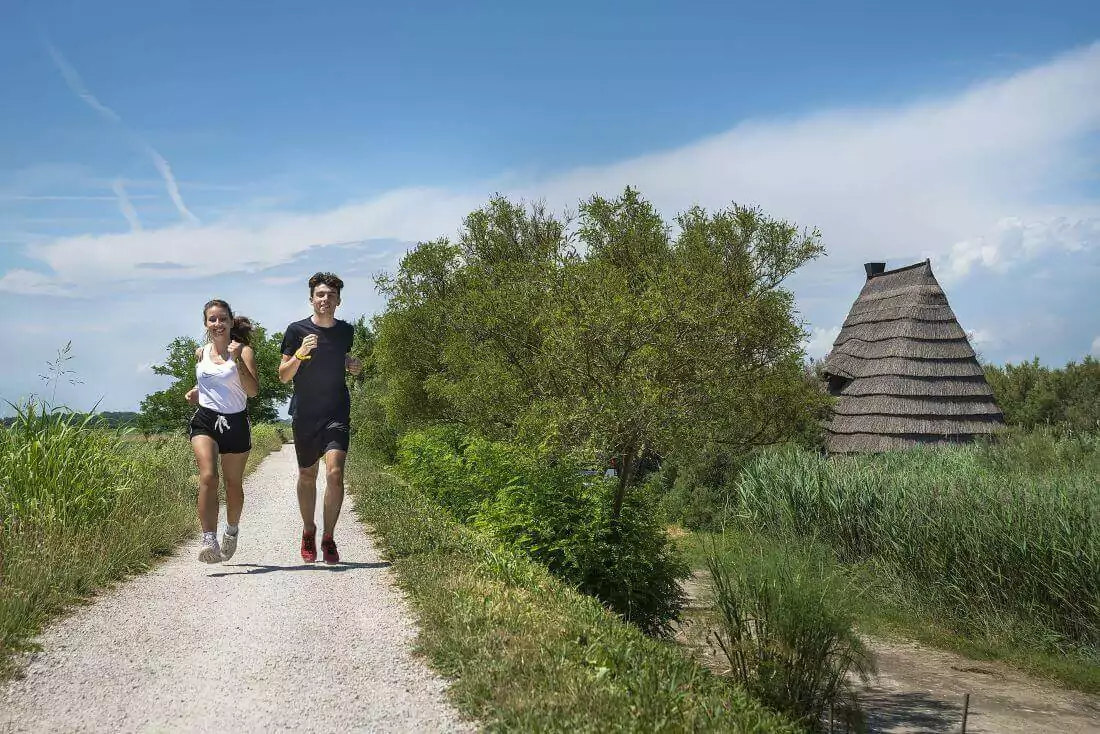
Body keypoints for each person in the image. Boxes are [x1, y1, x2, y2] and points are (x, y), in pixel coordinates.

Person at [279, 272, 362, 564]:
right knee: (307, 475)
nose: (325, 299)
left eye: (330, 295)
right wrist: (299, 355)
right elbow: (283, 376)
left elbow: (343, 360)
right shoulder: (295, 330)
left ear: (338, 300)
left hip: (337, 410)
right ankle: (308, 530)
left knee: (335, 473)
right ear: (311, 299)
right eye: (320, 295)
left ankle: (328, 537)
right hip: (305, 413)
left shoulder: (346, 332)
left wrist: (353, 366)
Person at [185, 300, 260, 563]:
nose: (217, 324)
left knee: (232, 484)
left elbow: (252, 391)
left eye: (222, 319)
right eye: (212, 319)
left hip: (236, 423)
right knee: (208, 476)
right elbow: (208, 381)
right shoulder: (200, 353)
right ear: (206, 323)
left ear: (230, 322)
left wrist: (237, 359)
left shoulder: (244, 352)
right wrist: (197, 392)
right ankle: (208, 538)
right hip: (205, 420)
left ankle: (231, 530)